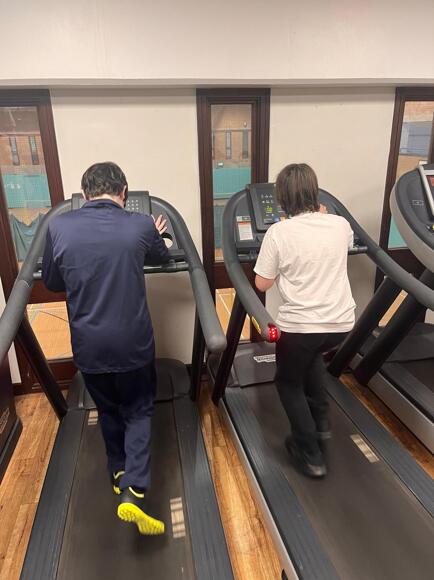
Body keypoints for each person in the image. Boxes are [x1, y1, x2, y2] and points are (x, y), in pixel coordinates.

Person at [42, 161, 169, 534]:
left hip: (89, 347)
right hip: (133, 345)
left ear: (84, 195)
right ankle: (135, 489)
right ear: (124, 192)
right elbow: (161, 257)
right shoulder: (140, 225)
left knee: (109, 409)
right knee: (139, 410)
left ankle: (117, 471)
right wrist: (156, 234)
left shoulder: (58, 227)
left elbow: (52, 281)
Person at [254, 163, 355, 478]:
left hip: (300, 328)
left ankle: (309, 453)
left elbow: (262, 284)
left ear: (282, 198)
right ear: (315, 191)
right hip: (340, 324)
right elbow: (344, 247)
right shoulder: (340, 225)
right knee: (312, 361)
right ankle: (321, 425)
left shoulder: (279, 232)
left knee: (288, 383)